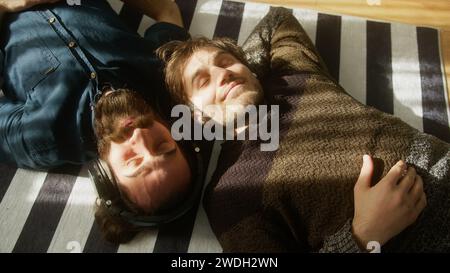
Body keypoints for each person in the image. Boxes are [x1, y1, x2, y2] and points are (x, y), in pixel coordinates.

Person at [157, 7, 450, 252]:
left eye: (226, 63)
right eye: (203, 81)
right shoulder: (228, 194)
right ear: (195, 115)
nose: (223, 74)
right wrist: (362, 236)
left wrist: (248, 72)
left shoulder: (293, 74)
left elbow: (277, 19)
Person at [0, 0, 197, 242]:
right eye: (165, 147)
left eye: (133, 161)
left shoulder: (38, 137)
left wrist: (6, 6)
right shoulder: (163, 75)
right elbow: (167, 10)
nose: (141, 137)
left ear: (104, 173)